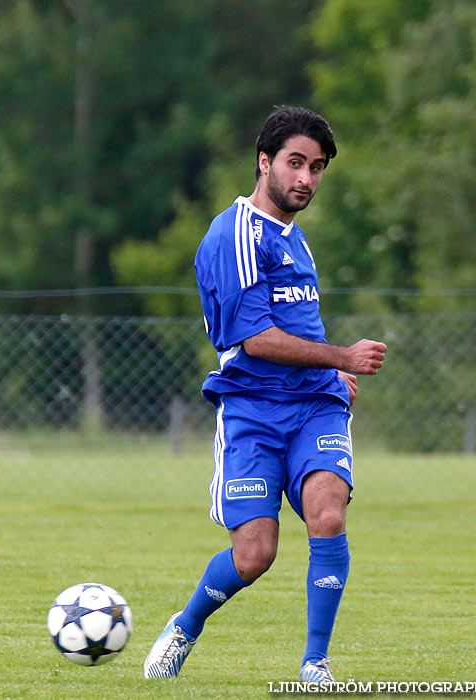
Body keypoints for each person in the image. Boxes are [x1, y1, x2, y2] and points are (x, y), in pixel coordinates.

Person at [143, 106, 387, 683]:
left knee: (328, 514)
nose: (306, 178)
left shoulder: (294, 240)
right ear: (264, 162)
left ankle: (315, 665)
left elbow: (300, 327)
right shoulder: (235, 235)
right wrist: (342, 357)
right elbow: (255, 340)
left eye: (318, 167)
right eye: (295, 163)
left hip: (315, 407)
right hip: (251, 412)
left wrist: (332, 374)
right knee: (255, 555)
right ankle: (186, 626)